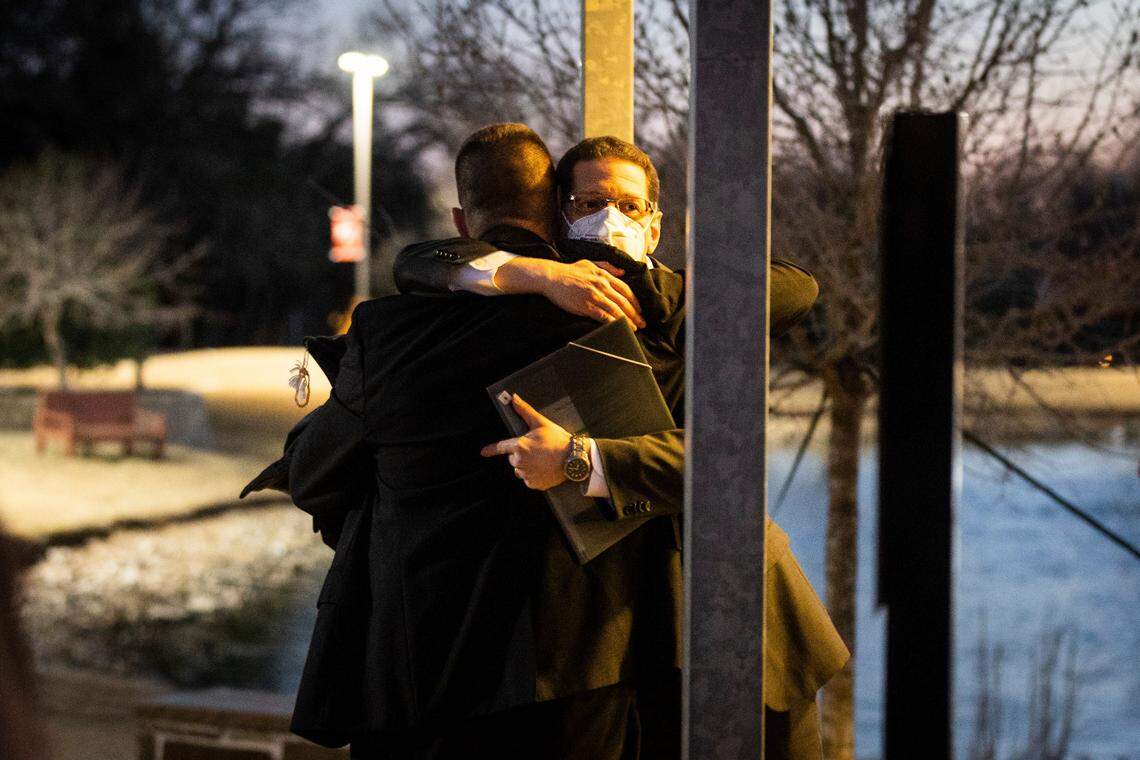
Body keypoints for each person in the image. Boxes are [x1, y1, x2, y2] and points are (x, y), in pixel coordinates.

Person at [391, 133, 849, 758]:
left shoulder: (690, 309)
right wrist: (538, 272)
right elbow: (418, 260)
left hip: (744, 617)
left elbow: (796, 292)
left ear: (655, 224)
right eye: (588, 202)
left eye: (630, 206)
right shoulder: (543, 299)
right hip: (628, 637)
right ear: (560, 217)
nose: (610, 216)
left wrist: (670, 292)